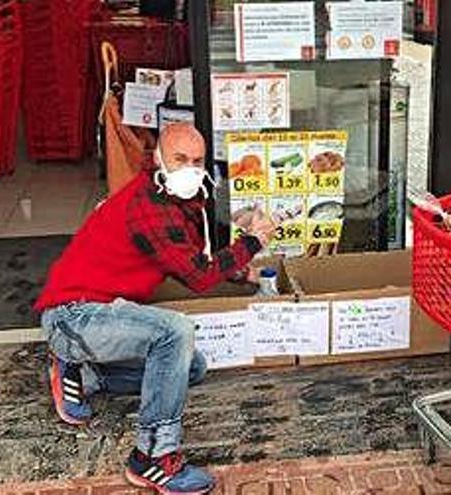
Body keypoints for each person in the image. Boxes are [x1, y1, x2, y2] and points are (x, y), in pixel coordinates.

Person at [34, 123, 275, 495]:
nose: (191, 169)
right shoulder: (147, 206)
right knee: (174, 332)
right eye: (180, 159)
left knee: (191, 367)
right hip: (73, 316)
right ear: (159, 158)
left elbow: (185, 261)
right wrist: (253, 241)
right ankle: (152, 457)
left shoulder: (175, 201)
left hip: (97, 315)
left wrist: (245, 274)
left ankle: (83, 376)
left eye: (198, 161)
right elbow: (198, 276)